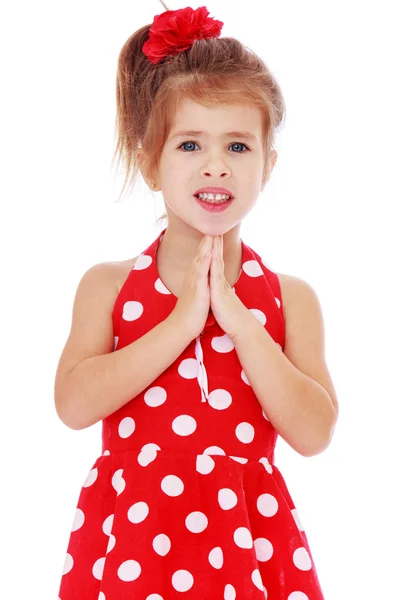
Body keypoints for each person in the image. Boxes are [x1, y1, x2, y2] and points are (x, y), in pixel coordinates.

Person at [55, 2, 339, 599]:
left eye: (239, 147)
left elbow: (314, 434)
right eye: (189, 146)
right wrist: (182, 323)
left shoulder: (291, 298)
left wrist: (239, 322)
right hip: (134, 538)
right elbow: (74, 405)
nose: (216, 166)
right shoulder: (109, 285)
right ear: (150, 163)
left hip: (249, 541)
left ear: (268, 165)